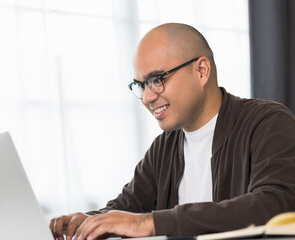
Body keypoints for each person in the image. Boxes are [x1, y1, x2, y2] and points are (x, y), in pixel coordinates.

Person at [50, 23, 295, 240]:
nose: (147, 97)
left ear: (201, 70)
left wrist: (149, 223)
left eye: (157, 79)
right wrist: (82, 222)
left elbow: (275, 204)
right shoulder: (164, 147)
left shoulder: (268, 122)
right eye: (140, 85)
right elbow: (126, 209)